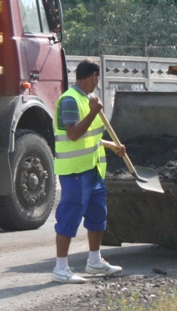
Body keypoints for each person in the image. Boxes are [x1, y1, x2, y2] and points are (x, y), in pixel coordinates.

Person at [51, 59, 126, 284]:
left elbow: (89, 137)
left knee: (97, 217)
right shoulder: (70, 100)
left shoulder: (85, 100)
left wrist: (111, 146)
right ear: (93, 75)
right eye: (98, 77)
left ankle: (94, 261)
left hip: (92, 170)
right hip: (75, 171)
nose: (97, 82)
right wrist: (94, 112)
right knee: (69, 217)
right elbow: (74, 134)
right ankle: (60, 268)